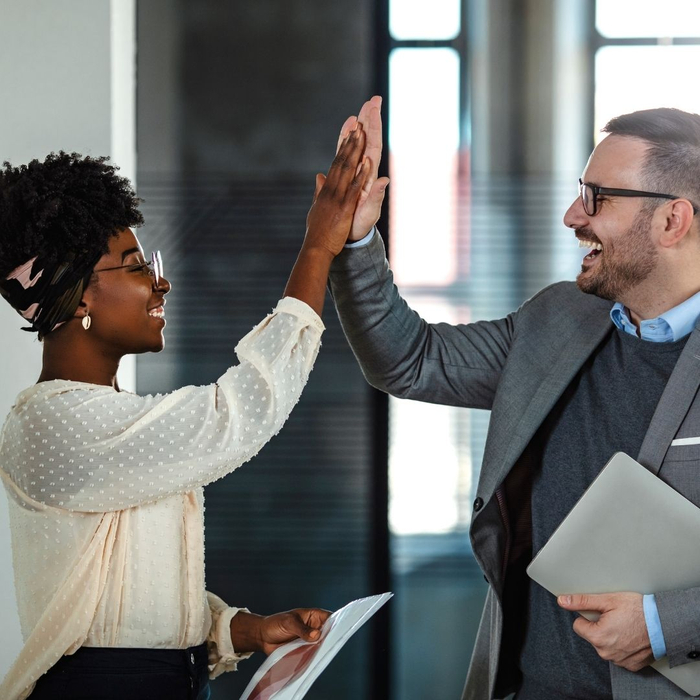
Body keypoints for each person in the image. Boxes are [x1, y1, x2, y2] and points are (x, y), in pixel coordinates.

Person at [329, 99, 700, 699]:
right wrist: (356, 238)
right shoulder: (559, 319)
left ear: (672, 221)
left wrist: (666, 624)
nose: (572, 215)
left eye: (598, 197)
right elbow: (410, 360)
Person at [0, 123, 372, 700]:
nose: (160, 282)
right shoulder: (53, 425)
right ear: (79, 297)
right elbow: (238, 413)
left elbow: (131, 600)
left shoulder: (107, 422)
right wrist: (319, 246)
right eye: (133, 265)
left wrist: (241, 629)